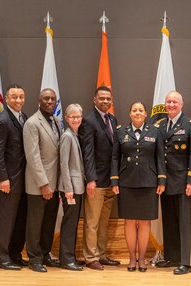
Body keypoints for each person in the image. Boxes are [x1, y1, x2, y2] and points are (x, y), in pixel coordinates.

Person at [110, 102, 166, 272]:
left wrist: (161, 180)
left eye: (140, 110)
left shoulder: (155, 132)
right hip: (127, 183)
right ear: (130, 114)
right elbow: (114, 158)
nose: (137, 112)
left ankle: (142, 258)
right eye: (134, 110)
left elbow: (159, 157)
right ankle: (132, 258)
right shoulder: (121, 132)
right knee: (129, 221)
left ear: (146, 113)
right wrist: (114, 180)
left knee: (144, 222)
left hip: (149, 183)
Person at [155, 91, 191, 275]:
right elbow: (159, 155)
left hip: (185, 183)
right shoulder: (160, 126)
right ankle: (173, 256)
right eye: (168, 102)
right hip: (166, 183)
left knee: (186, 222)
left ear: (182, 104)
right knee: (169, 221)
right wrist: (161, 179)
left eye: (175, 102)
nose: (171, 105)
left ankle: (187, 261)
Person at [78, 86, 120, 270]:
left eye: (108, 99)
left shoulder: (112, 119)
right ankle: (90, 256)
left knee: (103, 221)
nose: (105, 102)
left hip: (110, 180)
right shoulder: (88, 121)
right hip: (96, 181)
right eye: (101, 98)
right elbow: (87, 153)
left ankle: (101, 254)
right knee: (92, 222)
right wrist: (90, 179)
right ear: (94, 100)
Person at [0, 84, 28, 270]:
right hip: (8, 181)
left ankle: (15, 254)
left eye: (21, 97)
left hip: (23, 181)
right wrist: (2, 178)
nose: (18, 100)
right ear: (6, 99)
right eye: (14, 97)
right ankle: (2, 258)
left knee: (20, 220)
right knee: (5, 221)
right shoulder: (2, 121)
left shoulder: (24, 118)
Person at [23, 88, 61, 273]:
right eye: (46, 98)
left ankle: (45, 254)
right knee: (35, 223)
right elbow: (33, 156)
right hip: (39, 184)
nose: (49, 101)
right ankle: (34, 258)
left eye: (53, 99)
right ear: (39, 100)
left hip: (55, 183)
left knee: (48, 223)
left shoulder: (56, 121)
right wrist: (44, 184)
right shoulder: (32, 123)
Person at [58, 104, 85, 271]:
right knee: (69, 223)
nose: (76, 119)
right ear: (67, 118)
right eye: (72, 117)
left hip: (78, 187)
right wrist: (68, 188)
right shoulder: (67, 136)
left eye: (78, 116)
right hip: (71, 189)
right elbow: (64, 164)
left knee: (73, 223)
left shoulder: (75, 135)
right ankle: (66, 259)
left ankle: (71, 256)